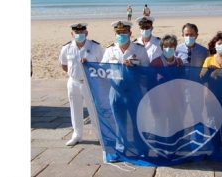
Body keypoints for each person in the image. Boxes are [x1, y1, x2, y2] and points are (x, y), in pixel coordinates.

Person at [101, 20, 150, 158]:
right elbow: (102, 69)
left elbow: (147, 71)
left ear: (130, 33)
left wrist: (135, 67)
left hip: (134, 91)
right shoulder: (110, 50)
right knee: (119, 121)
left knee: (138, 121)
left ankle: (142, 150)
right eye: (118, 33)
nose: (121, 35)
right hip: (116, 92)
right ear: (115, 34)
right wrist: (87, 64)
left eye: (124, 32)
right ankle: (120, 149)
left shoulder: (139, 50)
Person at [58, 23, 103, 146]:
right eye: (77, 33)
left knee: (93, 110)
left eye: (82, 32)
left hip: (90, 83)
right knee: (75, 109)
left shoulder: (95, 46)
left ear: (86, 33)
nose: (79, 35)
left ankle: (99, 135)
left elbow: (101, 65)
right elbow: (64, 65)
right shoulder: (67, 48)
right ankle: (77, 135)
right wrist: (74, 73)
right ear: (72, 34)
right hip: (73, 82)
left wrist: (88, 65)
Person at [149, 34, 186, 139]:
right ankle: (160, 150)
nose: (168, 48)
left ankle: (173, 150)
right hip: (160, 103)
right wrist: (153, 104)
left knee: (174, 127)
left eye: (171, 46)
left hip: (176, 102)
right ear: (161, 48)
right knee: (160, 127)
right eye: (165, 46)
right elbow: (150, 85)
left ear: (175, 47)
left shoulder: (179, 62)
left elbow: (183, 81)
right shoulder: (156, 62)